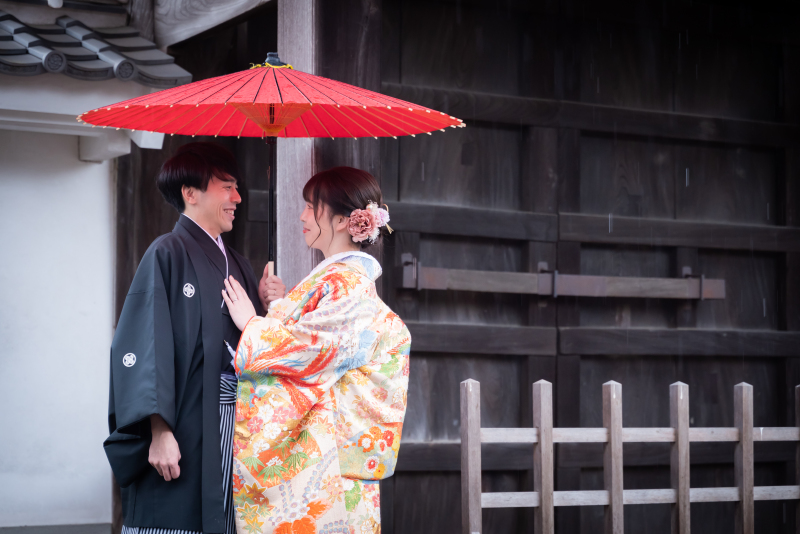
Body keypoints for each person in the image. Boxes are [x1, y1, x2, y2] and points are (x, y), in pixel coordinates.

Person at [221, 166, 411, 534]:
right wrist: (278, 305)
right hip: (336, 460)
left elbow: (315, 351)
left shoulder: (347, 282)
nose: (302, 216)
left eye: (312, 207)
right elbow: (320, 336)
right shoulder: (336, 278)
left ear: (342, 220)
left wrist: (252, 323)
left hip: (334, 465)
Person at [106, 142, 278, 534]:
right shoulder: (166, 253)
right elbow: (143, 345)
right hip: (184, 420)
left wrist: (270, 305)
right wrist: (159, 430)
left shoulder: (238, 264)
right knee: (179, 515)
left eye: (237, 188)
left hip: (237, 421)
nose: (237, 198)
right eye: (227, 187)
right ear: (190, 193)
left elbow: (255, 347)